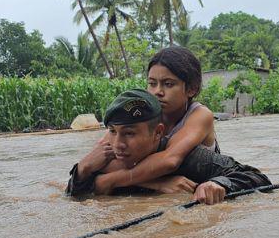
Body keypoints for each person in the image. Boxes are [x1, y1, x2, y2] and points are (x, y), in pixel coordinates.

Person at [66, 89, 270, 205]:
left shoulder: (191, 159)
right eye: (112, 131)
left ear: (158, 133)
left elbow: (257, 178)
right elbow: (75, 196)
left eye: (129, 133)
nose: (118, 144)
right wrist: (83, 168)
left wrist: (218, 184)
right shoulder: (107, 156)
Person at [87, 46, 219, 196]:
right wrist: (156, 183)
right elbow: (101, 158)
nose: (158, 92)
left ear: (191, 89)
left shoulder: (200, 115)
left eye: (168, 84)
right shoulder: (143, 115)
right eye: (152, 83)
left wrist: (108, 181)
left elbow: (169, 161)